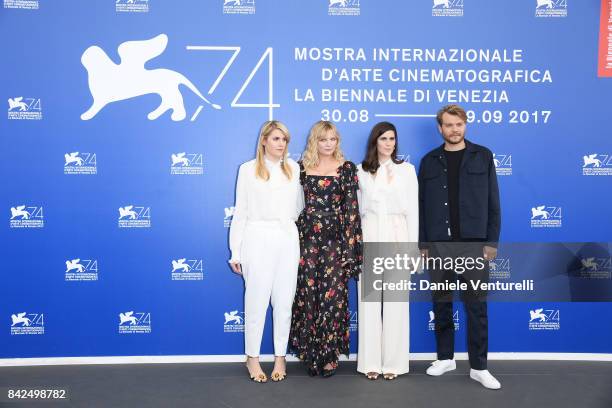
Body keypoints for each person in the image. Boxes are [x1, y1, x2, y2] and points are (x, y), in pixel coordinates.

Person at [418, 104, 502, 390]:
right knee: (441, 303)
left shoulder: (483, 156)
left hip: (474, 245)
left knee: (476, 307)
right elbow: (421, 206)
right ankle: (445, 358)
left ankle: (479, 366)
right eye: (449, 125)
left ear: (465, 126)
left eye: (459, 124)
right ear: (440, 128)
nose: (455, 129)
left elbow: (493, 202)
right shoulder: (429, 161)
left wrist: (491, 242)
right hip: (440, 244)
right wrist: (424, 243)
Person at [228, 120, 303, 383]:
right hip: (256, 237)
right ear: (264, 140)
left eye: (284, 140)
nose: (281, 144)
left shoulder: (294, 169)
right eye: (276, 139)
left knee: (284, 302)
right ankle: (253, 358)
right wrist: (235, 250)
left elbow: (297, 208)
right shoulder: (248, 170)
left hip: (287, 238)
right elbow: (241, 212)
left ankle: (280, 357)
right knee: (256, 301)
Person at [290, 120, 363, 377]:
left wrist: (351, 250)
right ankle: (311, 353)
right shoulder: (300, 168)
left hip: (335, 240)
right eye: (323, 139)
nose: (328, 144)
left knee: (333, 297)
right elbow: (293, 205)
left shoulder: (346, 168)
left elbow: (352, 211)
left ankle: (330, 356)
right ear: (315, 141)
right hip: (306, 239)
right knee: (309, 295)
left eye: (332, 139)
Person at [356, 122, 418, 380]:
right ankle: (370, 362)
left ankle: (393, 363)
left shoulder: (407, 170)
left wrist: (412, 249)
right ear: (375, 142)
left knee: (395, 303)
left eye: (392, 138)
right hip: (370, 235)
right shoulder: (360, 171)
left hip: (398, 236)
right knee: (369, 302)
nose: (389, 143)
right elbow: (357, 211)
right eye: (383, 138)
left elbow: (413, 210)